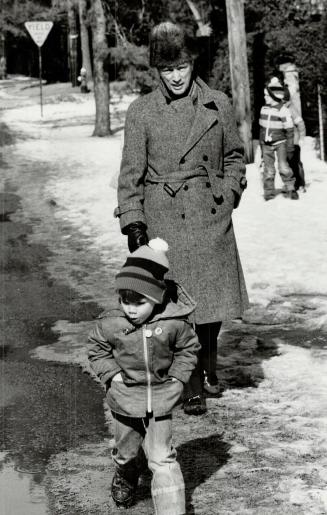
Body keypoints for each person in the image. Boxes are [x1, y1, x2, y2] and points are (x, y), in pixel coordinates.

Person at [114, 21, 248, 416]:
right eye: (167, 69)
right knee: (178, 305)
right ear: (157, 70)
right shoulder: (142, 112)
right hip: (165, 217)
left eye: (182, 67)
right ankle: (190, 383)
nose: (175, 76)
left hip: (210, 214)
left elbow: (235, 156)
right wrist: (134, 222)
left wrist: (229, 192)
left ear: (193, 63)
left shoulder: (218, 103)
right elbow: (129, 173)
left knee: (210, 303)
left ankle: (207, 363)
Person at [88, 238, 200, 514]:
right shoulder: (112, 322)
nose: (130, 308)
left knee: (163, 459)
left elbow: (189, 349)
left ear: (157, 297)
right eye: (125, 300)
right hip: (125, 399)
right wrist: (111, 375)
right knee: (125, 452)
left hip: (161, 399)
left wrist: (178, 378)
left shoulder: (173, 322)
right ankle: (126, 473)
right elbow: (96, 349)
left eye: (139, 302)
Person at [259, 76, 298, 201]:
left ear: (274, 96)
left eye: (267, 95)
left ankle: (290, 188)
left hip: (281, 143)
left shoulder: (283, 110)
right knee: (268, 169)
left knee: (283, 166)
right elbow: (262, 128)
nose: (264, 97)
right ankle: (269, 193)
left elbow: (290, 129)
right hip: (266, 144)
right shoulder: (263, 109)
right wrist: (261, 143)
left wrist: (290, 146)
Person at [283, 87, 306, 191]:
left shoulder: (291, 109)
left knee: (296, 163)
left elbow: (300, 123)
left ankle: (300, 183)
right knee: (287, 164)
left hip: (295, 141)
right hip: (286, 142)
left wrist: (301, 137)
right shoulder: (282, 109)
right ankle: (292, 184)